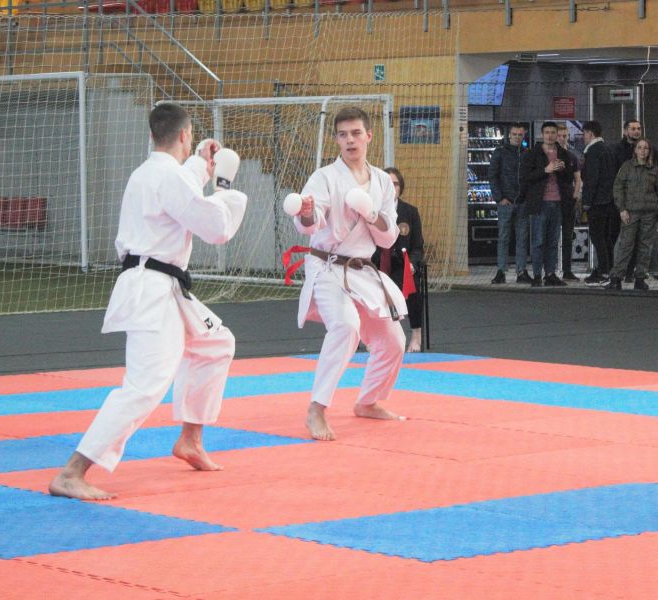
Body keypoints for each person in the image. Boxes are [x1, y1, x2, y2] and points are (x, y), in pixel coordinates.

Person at [49, 103, 248, 501]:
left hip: (163, 287)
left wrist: (200, 162)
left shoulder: (151, 172)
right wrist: (225, 190)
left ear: (153, 135)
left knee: (216, 344)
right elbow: (216, 228)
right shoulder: (168, 177)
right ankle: (72, 472)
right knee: (144, 386)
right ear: (185, 135)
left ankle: (190, 439)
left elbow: (182, 187)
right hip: (152, 290)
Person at [286, 106, 407, 442]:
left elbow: (388, 238)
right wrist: (307, 213)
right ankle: (317, 408)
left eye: (356, 133)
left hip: (361, 270)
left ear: (369, 136)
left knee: (393, 341)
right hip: (326, 265)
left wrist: (370, 213)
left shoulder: (382, 181)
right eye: (343, 135)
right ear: (337, 140)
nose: (350, 140)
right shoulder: (324, 177)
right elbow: (310, 223)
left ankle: (368, 401)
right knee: (345, 325)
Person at [372, 167, 425, 352]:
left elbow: (418, 246)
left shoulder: (410, 212)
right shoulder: (372, 211)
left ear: (400, 187)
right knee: (367, 288)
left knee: (412, 287)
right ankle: (375, 338)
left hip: (402, 266)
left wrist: (412, 264)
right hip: (377, 265)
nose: (391, 187)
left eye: (395, 184)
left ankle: (416, 336)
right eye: (386, 184)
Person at [520, 121, 576, 286]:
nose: (550, 136)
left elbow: (569, 179)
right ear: (542, 134)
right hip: (540, 203)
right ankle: (537, 274)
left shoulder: (563, 154)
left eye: (553, 132)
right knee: (538, 241)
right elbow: (525, 177)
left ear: (557, 135)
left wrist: (563, 170)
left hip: (558, 202)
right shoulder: (532, 154)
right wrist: (546, 170)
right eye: (547, 132)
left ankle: (550, 274)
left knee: (553, 241)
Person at [605, 138, 658, 290]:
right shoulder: (627, 167)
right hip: (630, 212)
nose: (643, 151)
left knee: (645, 247)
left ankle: (640, 278)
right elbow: (618, 188)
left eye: (646, 148)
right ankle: (616, 278)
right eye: (640, 147)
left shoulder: (654, 169)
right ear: (635, 150)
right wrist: (622, 209)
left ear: (649, 151)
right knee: (625, 245)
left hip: (649, 213)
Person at [489, 123, 531, 284]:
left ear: (524, 135)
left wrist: (526, 198)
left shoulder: (527, 153)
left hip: (522, 202)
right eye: (514, 134)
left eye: (520, 135)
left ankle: (521, 271)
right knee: (503, 237)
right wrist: (499, 198)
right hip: (505, 202)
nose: (517, 137)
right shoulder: (500, 152)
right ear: (509, 135)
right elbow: (492, 176)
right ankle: (501, 271)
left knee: (522, 238)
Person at [581, 120, 618, 286]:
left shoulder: (593, 151)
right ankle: (610, 270)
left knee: (597, 237)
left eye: (584, 134)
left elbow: (591, 179)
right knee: (605, 237)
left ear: (590, 133)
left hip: (596, 202)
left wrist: (587, 201)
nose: (583, 137)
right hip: (609, 201)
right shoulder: (609, 149)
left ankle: (603, 272)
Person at [613, 119, 643, 282]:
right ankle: (616, 272)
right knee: (621, 238)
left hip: (642, 201)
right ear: (625, 131)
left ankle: (631, 273)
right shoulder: (617, 150)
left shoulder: (647, 150)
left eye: (638, 128)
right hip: (623, 200)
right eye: (633, 128)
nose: (636, 131)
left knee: (638, 239)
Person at [556, 123, 583, 281]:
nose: (562, 138)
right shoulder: (548, 155)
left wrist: (574, 196)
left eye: (564, 136)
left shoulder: (572, 157)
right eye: (559, 136)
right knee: (550, 236)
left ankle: (567, 270)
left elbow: (578, 179)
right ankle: (550, 270)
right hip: (552, 200)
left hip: (568, 200)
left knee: (567, 236)